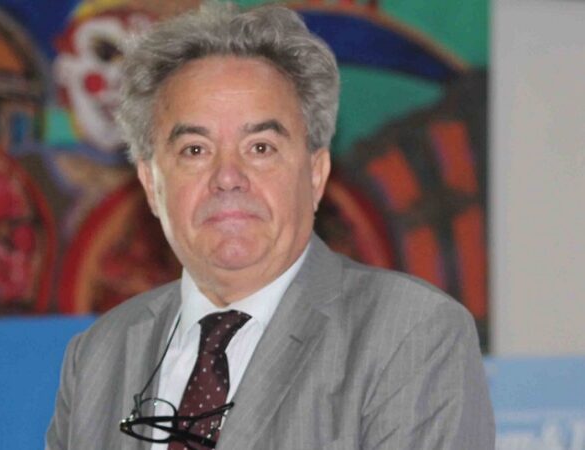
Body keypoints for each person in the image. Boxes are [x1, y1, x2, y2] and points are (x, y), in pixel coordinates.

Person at [46, 2, 495, 449]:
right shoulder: (99, 356)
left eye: (260, 148)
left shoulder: (410, 334)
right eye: (195, 150)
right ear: (150, 183)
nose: (227, 177)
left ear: (316, 175)